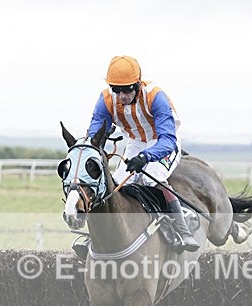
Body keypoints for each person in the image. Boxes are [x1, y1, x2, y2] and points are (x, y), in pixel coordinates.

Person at [85, 55, 199, 253]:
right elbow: (95, 135)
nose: (121, 96)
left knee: (152, 177)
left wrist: (146, 157)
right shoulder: (105, 100)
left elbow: (168, 140)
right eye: (116, 89)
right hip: (135, 142)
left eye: (127, 89)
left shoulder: (155, 96)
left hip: (162, 142)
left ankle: (182, 229)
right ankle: (97, 237)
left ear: (137, 84)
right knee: (118, 185)